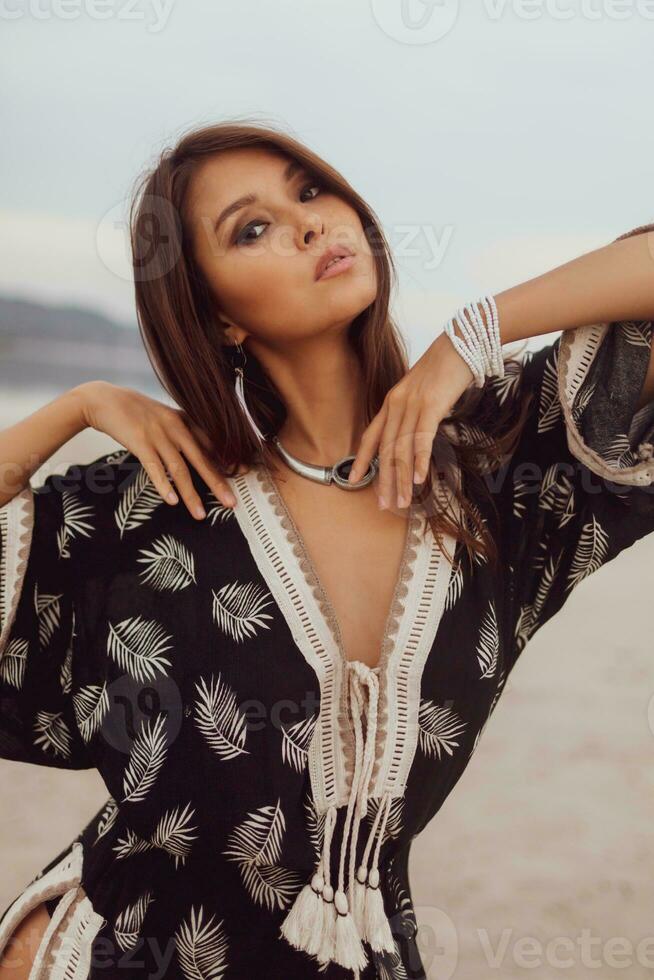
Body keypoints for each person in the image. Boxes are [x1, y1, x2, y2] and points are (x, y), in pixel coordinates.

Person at [0, 120, 653, 980]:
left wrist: (475, 331)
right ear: (220, 316)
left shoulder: (503, 470)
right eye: (252, 227)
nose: (309, 224)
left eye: (309, 192)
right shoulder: (144, 506)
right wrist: (73, 408)